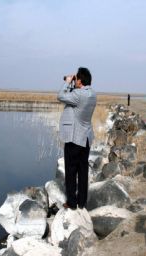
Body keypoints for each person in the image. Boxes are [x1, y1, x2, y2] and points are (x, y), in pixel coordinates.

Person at [57, 67, 97, 210]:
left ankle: (72, 202)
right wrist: (74, 84)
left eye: (76, 79)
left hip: (74, 138)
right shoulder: (92, 94)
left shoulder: (78, 95)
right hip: (85, 138)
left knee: (71, 170)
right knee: (82, 170)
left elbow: (61, 96)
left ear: (79, 81)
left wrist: (67, 82)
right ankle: (82, 201)